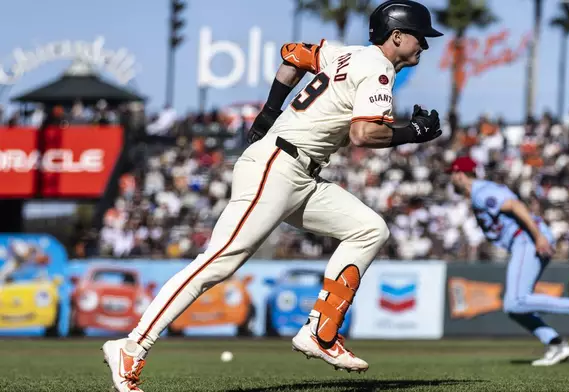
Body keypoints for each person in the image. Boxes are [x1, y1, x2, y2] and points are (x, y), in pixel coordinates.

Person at [101, 1, 444, 390]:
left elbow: (293, 54)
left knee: (369, 229)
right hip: (278, 166)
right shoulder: (378, 70)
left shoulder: (345, 53)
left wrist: (270, 108)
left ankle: (320, 331)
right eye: (420, 37)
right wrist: (413, 132)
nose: (424, 46)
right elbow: (363, 134)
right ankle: (133, 345)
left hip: (299, 172)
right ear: (396, 36)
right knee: (217, 263)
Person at [447, 156, 569, 367]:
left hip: (526, 239)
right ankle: (556, 343)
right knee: (514, 307)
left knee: (516, 300)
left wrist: (538, 236)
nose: (451, 179)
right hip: (525, 240)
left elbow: (514, 206)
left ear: (459, 174)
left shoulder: (481, 192)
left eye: (452, 174)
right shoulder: (480, 192)